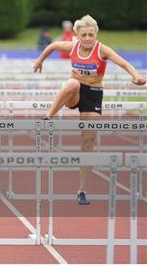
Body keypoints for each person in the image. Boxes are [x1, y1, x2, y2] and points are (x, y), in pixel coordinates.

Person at [33, 15, 146, 205]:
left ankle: (82, 190)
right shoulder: (72, 46)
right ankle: (48, 117)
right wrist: (39, 61)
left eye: (90, 35)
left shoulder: (102, 50)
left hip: (93, 95)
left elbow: (124, 63)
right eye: (83, 35)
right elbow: (52, 46)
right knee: (71, 83)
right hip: (75, 92)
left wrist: (136, 76)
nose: (87, 38)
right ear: (77, 35)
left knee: (88, 141)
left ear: (96, 34)